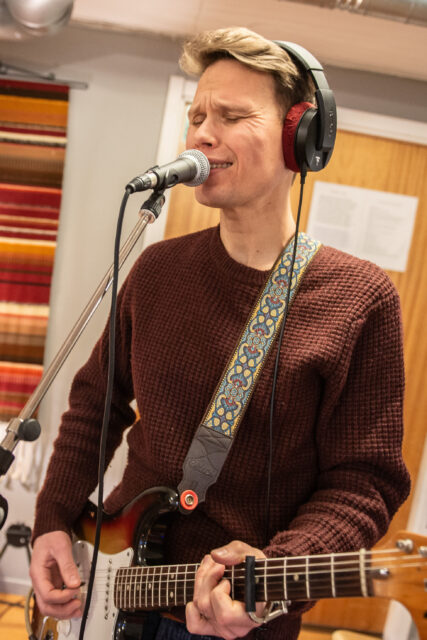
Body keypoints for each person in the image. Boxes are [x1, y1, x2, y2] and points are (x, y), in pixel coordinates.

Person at [29, 27, 410, 640]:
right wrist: (53, 517)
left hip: (242, 624)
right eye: (197, 116)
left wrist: (275, 575)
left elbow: (364, 484)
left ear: (299, 137)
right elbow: (96, 404)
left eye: (232, 116)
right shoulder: (157, 268)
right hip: (113, 587)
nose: (203, 134)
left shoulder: (359, 298)